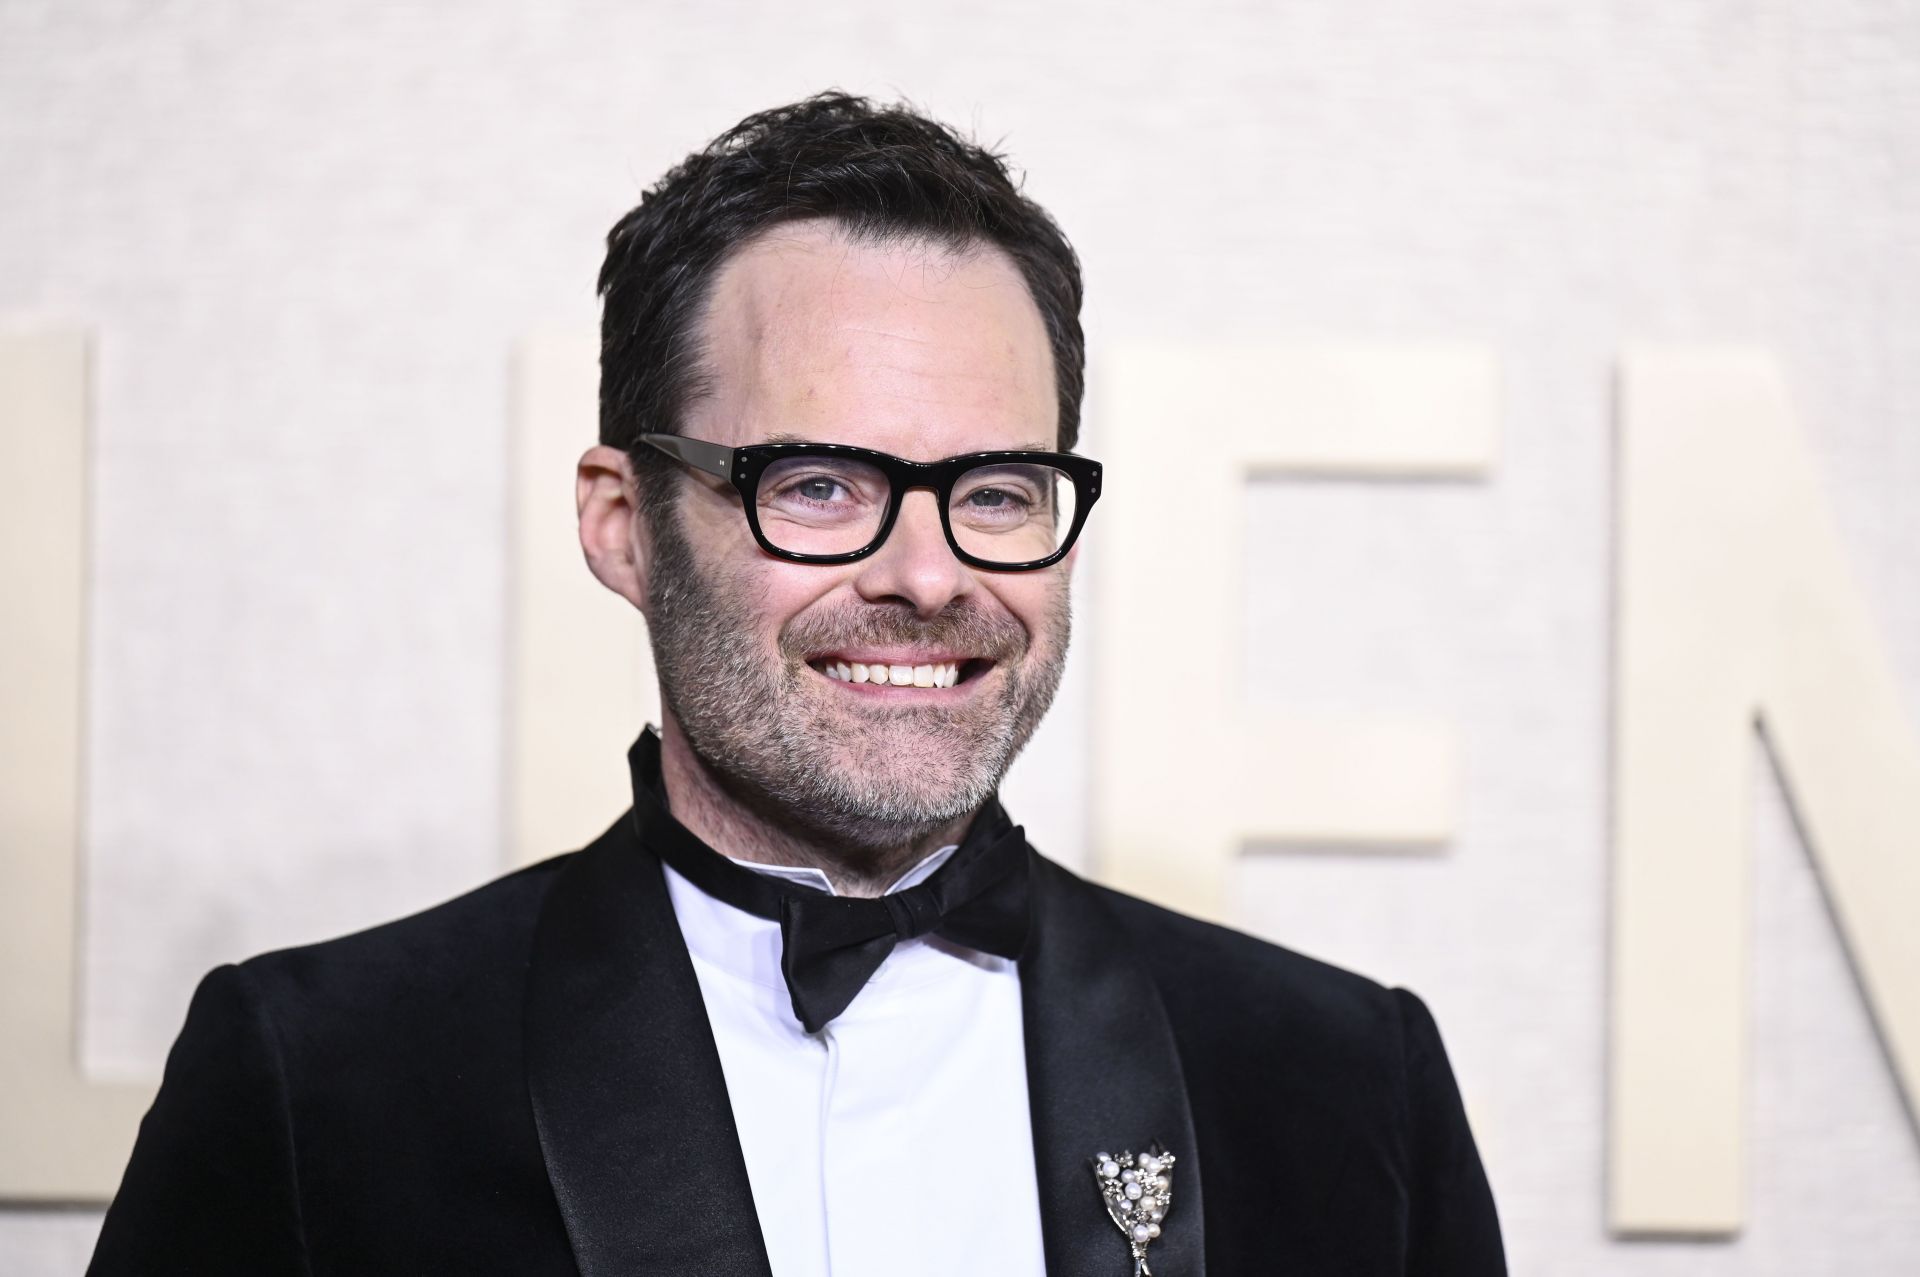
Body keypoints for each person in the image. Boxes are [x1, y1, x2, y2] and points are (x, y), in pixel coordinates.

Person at [88, 95, 1505, 1276]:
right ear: (623, 523)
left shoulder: (1344, 1084)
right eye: (818, 484)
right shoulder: (318, 1082)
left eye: (997, 490)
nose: (928, 574)